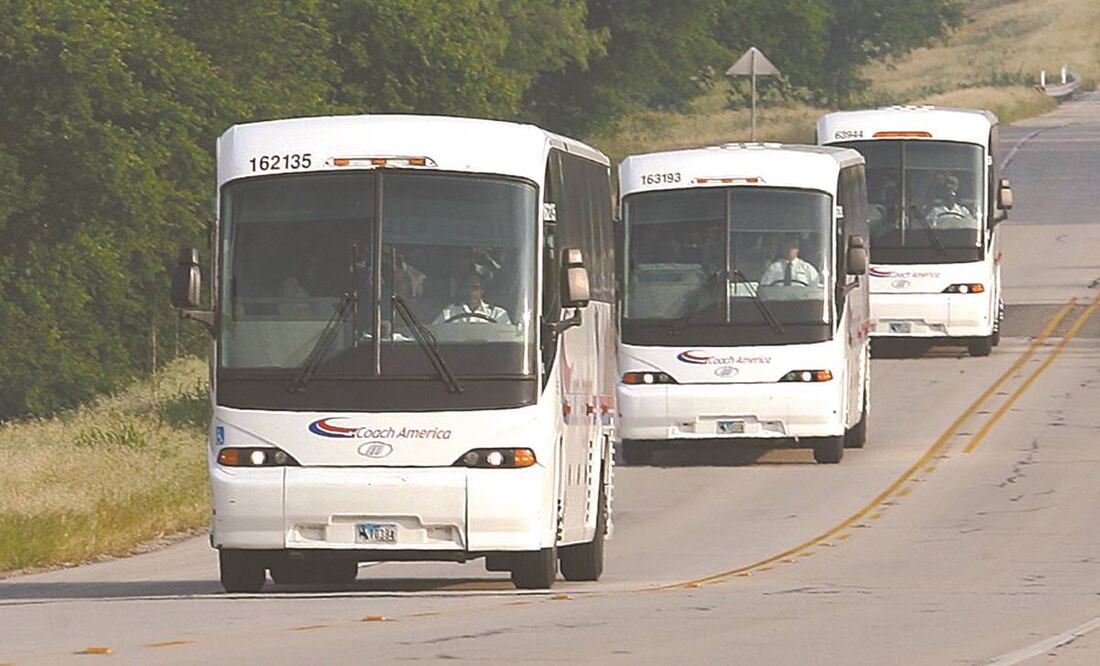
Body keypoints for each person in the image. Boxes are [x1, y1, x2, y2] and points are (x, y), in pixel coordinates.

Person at [433, 274, 511, 324]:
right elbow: (436, 337)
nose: (471, 292)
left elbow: (507, 341)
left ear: (482, 290)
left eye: (475, 288)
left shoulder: (497, 314)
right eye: (468, 288)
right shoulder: (448, 314)